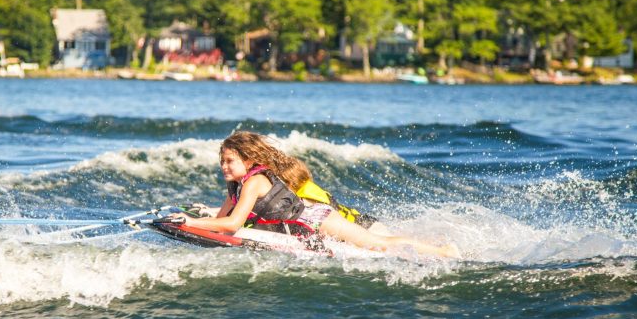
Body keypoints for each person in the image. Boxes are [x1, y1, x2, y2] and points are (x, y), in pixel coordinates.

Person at [175, 131, 459, 258]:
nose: (224, 166)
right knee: (374, 245)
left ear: (248, 162)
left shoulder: (254, 182)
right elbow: (223, 215)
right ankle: (435, 246)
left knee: (377, 244)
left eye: (230, 161)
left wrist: (188, 224)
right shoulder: (237, 186)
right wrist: (196, 215)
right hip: (301, 225)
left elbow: (232, 225)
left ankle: (441, 250)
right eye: (222, 161)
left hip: (317, 220)